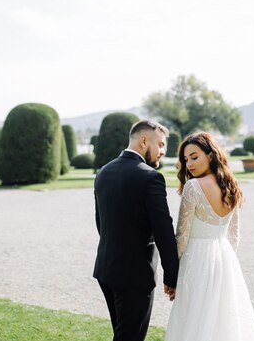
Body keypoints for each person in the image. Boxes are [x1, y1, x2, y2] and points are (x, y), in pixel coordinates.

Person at [165, 131, 254, 341]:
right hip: (224, 258)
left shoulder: (193, 187)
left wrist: (173, 276)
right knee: (221, 320)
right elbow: (234, 235)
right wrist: (225, 258)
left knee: (194, 318)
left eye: (194, 157)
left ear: (210, 156)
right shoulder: (231, 184)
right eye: (185, 159)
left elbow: (181, 237)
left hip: (196, 260)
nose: (189, 164)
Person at [93, 120, 179, 341]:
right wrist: (172, 276)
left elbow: (101, 223)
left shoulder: (103, 172)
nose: (162, 151)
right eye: (160, 144)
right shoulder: (150, 177)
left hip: (107, 269)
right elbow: (163, 230)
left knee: (122, 334)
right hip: (135, 276)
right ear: (143, 141)